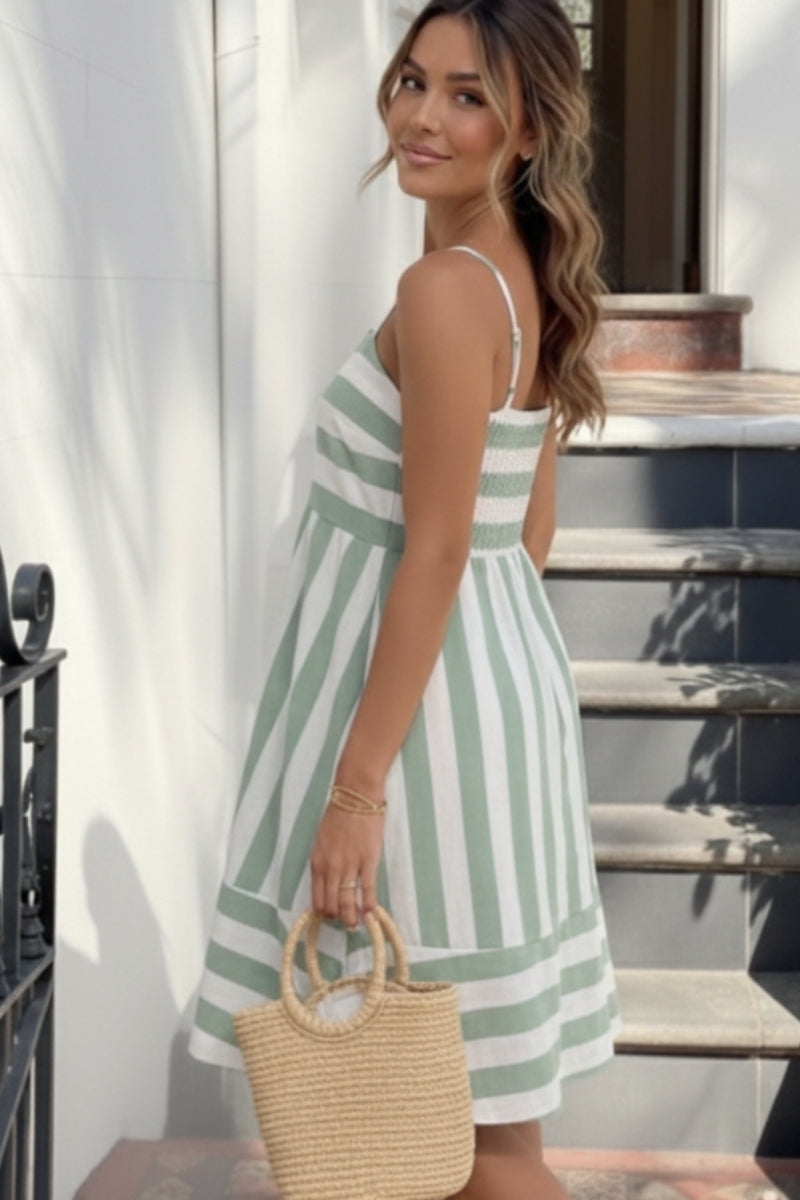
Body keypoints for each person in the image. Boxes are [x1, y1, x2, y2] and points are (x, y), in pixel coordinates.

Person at [189, 1, 620, 1196]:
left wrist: (356, 787)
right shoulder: (521, 280)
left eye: (467, 95)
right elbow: (521, 534)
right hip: (484, 706)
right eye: (413, 80)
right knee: (485, 1125)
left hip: (416, 742)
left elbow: (435, 551)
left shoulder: (442, 290)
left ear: (525, 131)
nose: (423, 116)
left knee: (439, 1145)